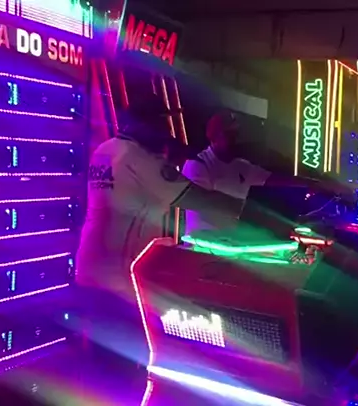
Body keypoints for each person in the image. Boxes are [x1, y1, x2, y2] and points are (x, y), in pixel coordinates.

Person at [75, 93, 245, 367]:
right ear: (146, 124)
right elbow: (199, 199)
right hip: (120, 278)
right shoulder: (139, 158)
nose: (165, 131)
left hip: (90, 268)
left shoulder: (106, 149)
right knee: (131, 364)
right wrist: (250, 209)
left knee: (99, 364)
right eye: (160, 123)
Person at [182, 111, 272, 233]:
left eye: (235, 134)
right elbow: (203, 202)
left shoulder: (241, 166)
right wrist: (246, 211)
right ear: (214, 136)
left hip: (231, 240)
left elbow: (272, 179)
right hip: (203, 240)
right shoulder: (197, 164)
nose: (233, 139)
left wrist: (300, 182)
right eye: (228, 134)